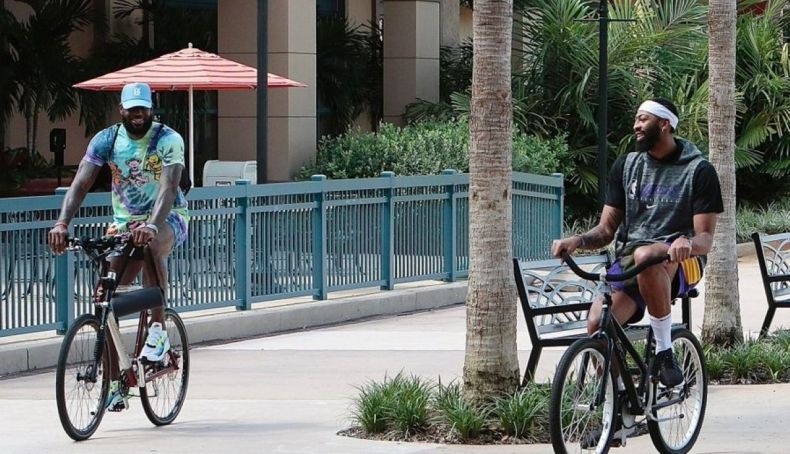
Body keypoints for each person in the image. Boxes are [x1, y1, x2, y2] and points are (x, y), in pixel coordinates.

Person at [551, 98, 723, 388]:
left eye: (643, 119)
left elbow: (705, 238)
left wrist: (687, 244)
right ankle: (618, 402)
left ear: (664, 124)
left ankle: (665, 352)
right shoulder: (627, 166)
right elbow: (606, 230)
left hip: (683, 262)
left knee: (648, 254)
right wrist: (577, 240)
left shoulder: (699, 171)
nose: (636, 126)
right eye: (636, 119)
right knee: (597, 325)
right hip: (632, 261)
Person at [48, 82, 189, 410]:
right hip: (125, 224)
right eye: (131, 109)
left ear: (151, 110)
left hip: (167, 218)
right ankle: (117, 382)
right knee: (105, 300)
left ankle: (157, 331)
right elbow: (81, 182)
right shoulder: (107, 139)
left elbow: (169, 187)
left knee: (152, 246)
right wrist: (62, 223)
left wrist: (153, 224)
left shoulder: (167, 139)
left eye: (143, 109)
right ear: (121, 109)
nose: (137, 115)